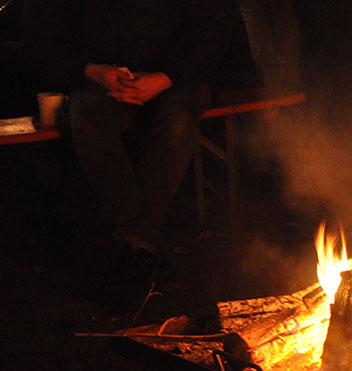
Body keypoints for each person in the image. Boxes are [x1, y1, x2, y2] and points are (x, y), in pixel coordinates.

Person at [19, 0, 233, 283]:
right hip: (102, 81)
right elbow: (41, 40)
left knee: (179, 119)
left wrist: (166, 77)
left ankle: (133, 240)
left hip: (177, 77)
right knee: (89, 122)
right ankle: (141, 241)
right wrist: (93, 71)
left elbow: (212, 30)